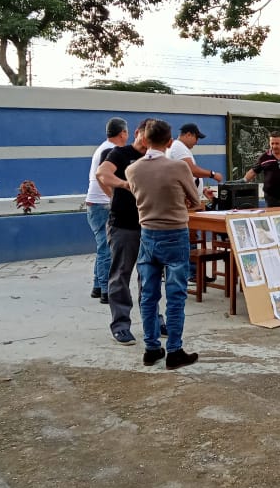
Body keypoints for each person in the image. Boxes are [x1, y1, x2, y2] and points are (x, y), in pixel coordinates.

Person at [126, 119, 201, 370]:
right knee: (176, 294)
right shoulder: (178, 167)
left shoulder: (132, 170)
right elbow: (196, 200)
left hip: (147, 234)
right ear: (170, 141)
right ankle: (174, 350)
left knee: (148, 294)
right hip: (175, 233)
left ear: (144, 140)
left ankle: (151, 348)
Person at [95, 118, 164, 344]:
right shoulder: (119, 154)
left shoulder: (156, 157)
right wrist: (124, 186)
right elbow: (102, 174)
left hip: (150, 226)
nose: (148, 146)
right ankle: (121, 324)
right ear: (137, 133)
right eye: (145, 140)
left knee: (150, 276)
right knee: (121, 275)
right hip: (123, 226)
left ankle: (154, 319)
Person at [86, 117, 127, 300]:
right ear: (122, 133)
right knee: (107, 248)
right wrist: (114, 198)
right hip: (102, 204)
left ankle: (97, 285)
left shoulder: (103, 148)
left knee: (102, 245)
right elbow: (104, 177)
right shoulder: (111, 150)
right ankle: (106, 289)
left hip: (96, 204)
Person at [167, 122, 224, 205]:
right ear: (188, 135)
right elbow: (192, 170)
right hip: (184, 200)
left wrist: (202, 190)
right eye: (196, 138)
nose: (197, 141)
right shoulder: (178, 147)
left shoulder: (181, 147)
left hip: (188, 198)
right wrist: (213, 174)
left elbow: (187, 175)